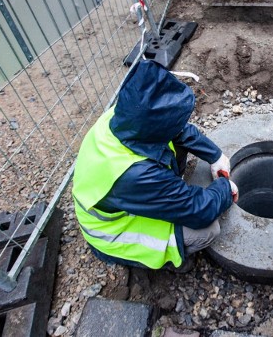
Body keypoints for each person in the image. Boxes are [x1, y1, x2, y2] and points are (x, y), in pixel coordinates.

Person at [72, 60, 238, 271]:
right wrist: (226, 187)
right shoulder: (134, 174)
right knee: (207, 230)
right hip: (114, 232)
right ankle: (168, 262)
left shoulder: (128, 114)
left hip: (126, 197)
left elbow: (177, 128)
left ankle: (166, 199)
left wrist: (214, 156)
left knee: (175, 146)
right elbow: (200, 210)